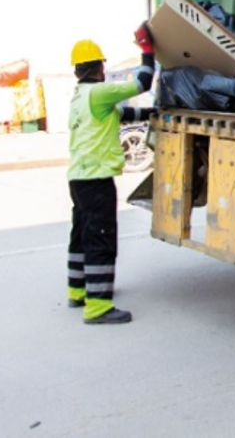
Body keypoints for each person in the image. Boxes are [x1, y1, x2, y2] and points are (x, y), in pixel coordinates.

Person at [66, 24, 156, 325]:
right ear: (100, 67)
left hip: (79, 178)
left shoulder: (80, 96)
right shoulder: (101, 91)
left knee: (81, 234)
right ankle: (98, 306)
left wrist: (155, 113)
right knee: (101, 238)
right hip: (96, 179)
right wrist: (147, 51)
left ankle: (78, 290)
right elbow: (142, 82)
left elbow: (122, 114)